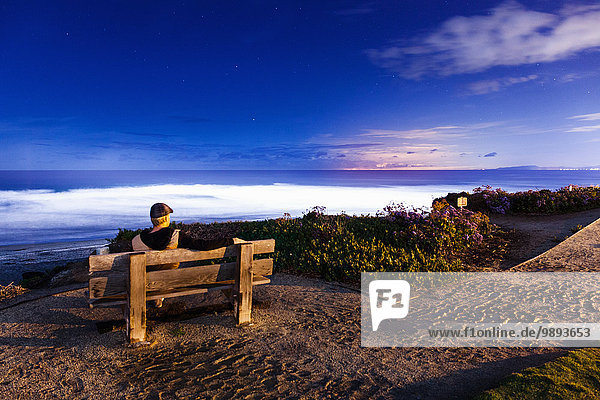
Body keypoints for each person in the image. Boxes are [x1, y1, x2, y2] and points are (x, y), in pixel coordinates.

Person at [132, 202, 243, 307]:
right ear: (166, 218)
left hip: (143, 283)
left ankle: (156, 298)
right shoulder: (175, 236)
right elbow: (203, 245)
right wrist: (231, 241)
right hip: (169, 281)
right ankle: (158, 296)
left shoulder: (136, 240)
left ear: (152, 219)